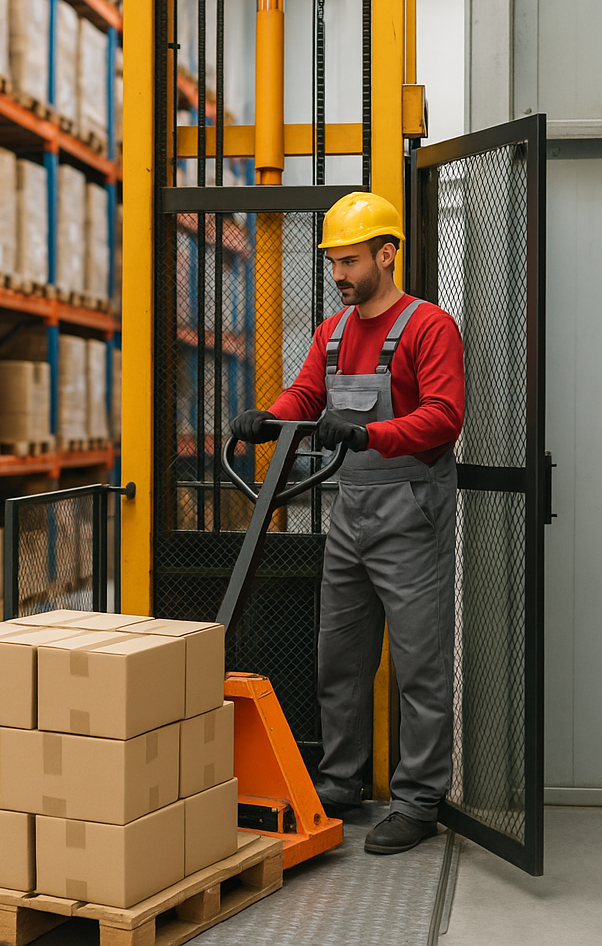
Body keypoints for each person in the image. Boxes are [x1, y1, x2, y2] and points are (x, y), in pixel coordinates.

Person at [231, 191, 465, 855]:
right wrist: (269, 418)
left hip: (411, 511)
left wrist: (369, 436)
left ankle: (418, 801)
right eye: (333, 261)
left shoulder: (429, 328)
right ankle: (340, 782)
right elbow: (306, 393)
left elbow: (445, 416)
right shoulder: (331, 334)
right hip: (351, 512)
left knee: (419, 663)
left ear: (387, 254)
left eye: (350, 260)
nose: (338, 274)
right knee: (340, 656)